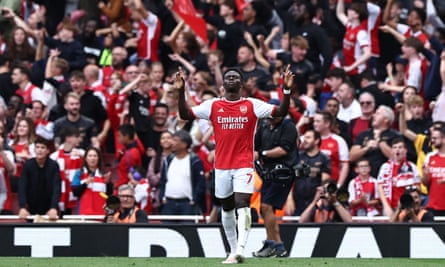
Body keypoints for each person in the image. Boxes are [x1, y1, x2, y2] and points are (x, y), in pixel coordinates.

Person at [175, 65, 295, 264]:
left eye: (235, 77)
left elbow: (280, 111)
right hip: (221, 166)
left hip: (243, 165)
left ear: (241, 84)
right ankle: (232, 250)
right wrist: (180, 91)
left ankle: (240, 249)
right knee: (227, 208)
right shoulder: (212, 105)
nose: (231, 78)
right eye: (228, 76)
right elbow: (185, 114)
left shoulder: (251, 105)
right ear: (223, 83)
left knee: (242, 203)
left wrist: (287, 90)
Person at [252, 99, 297, 258]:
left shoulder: (288, 126)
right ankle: (276, 245)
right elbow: (254, 146)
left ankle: (273, 244)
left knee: (265, 206)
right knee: (265, 210)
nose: (271, 117)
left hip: (283, 172)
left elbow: (283, 150)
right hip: (268, 173)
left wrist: (262, 154)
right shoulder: (264, 126)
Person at [159, 130, 207, 222]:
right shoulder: (168, 160)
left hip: (187, 204)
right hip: (169, 203)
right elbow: (163, 181)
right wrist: (162, 197)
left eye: (175, 140)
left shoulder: (194, 160)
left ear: (184, 144)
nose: (171, 142)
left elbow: (200, 183)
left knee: (188, 231)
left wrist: (194, 200)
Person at [286, 129, 331, 216]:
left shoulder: (324, 158)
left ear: (317, 140)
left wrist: (321, 200)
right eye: (304, 137)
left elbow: (325, 182)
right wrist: (289, 199)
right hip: (297, 200)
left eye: (308, 137)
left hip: (315, 200)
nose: (305, 140)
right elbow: (290, 180)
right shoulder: (298, 157)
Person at [18, 138, 61, 220]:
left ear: (48, 151)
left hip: (49, 209)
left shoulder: (53, 165)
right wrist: (23, 206)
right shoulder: (28, 165)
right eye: (37, 147)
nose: (39, 150)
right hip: (31, 208)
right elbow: (22, 186)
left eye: (42, 147)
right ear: (34, 150)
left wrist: (53, 207)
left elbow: (56, 187)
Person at [377, 137, 421, 216]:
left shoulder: (412, 167)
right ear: (392, 150)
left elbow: (418, 188)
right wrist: (386, 206)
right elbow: (380, 188)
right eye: (394, 147)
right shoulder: (385, 167)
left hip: (408, 207)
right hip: (390, 206)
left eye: (400, 147)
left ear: (405, 150)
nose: (397, 150)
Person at [49, 126, 84, 214]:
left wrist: (83, 157)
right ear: (68, 138)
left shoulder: (83, 154)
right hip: (58, 197)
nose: (79, 139)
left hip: (76, 196)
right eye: (76, 137)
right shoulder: (54, 157)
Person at [71, 147, 113, 215]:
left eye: (95, 156)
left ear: (98, 158)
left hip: (101, 212)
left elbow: (109, 194)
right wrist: (86, 183)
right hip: (83, 212)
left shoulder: (104, 173)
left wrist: (108, 183)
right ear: (86, 158)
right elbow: (75, 192)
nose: (92, 158)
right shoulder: (79, 173)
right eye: (90, 156)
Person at [423, 125, 445, 216]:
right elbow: (425, 183)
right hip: (433, 205)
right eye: (432, 138)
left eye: (435, 138)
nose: (432, 141)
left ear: (444, 139)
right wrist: (426, 176)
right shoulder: (429, 157)